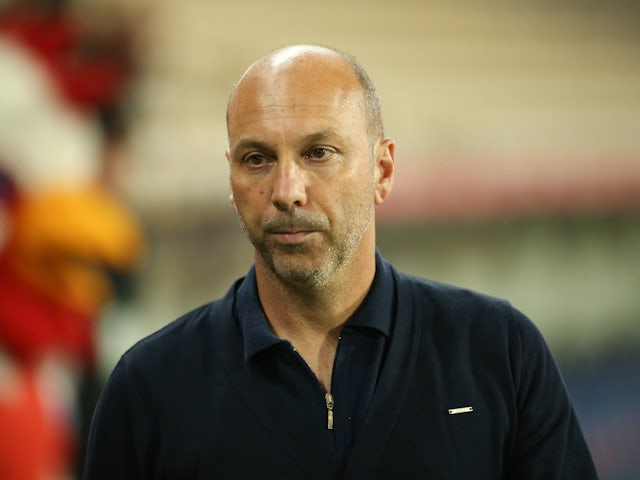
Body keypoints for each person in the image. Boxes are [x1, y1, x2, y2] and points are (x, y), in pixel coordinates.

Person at [82, 44, 598, 479]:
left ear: (382, 169)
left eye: (319, 153)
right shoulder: (149, 387)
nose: (286, 192)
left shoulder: (499, 350)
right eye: (256, 159)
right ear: (231, 177)